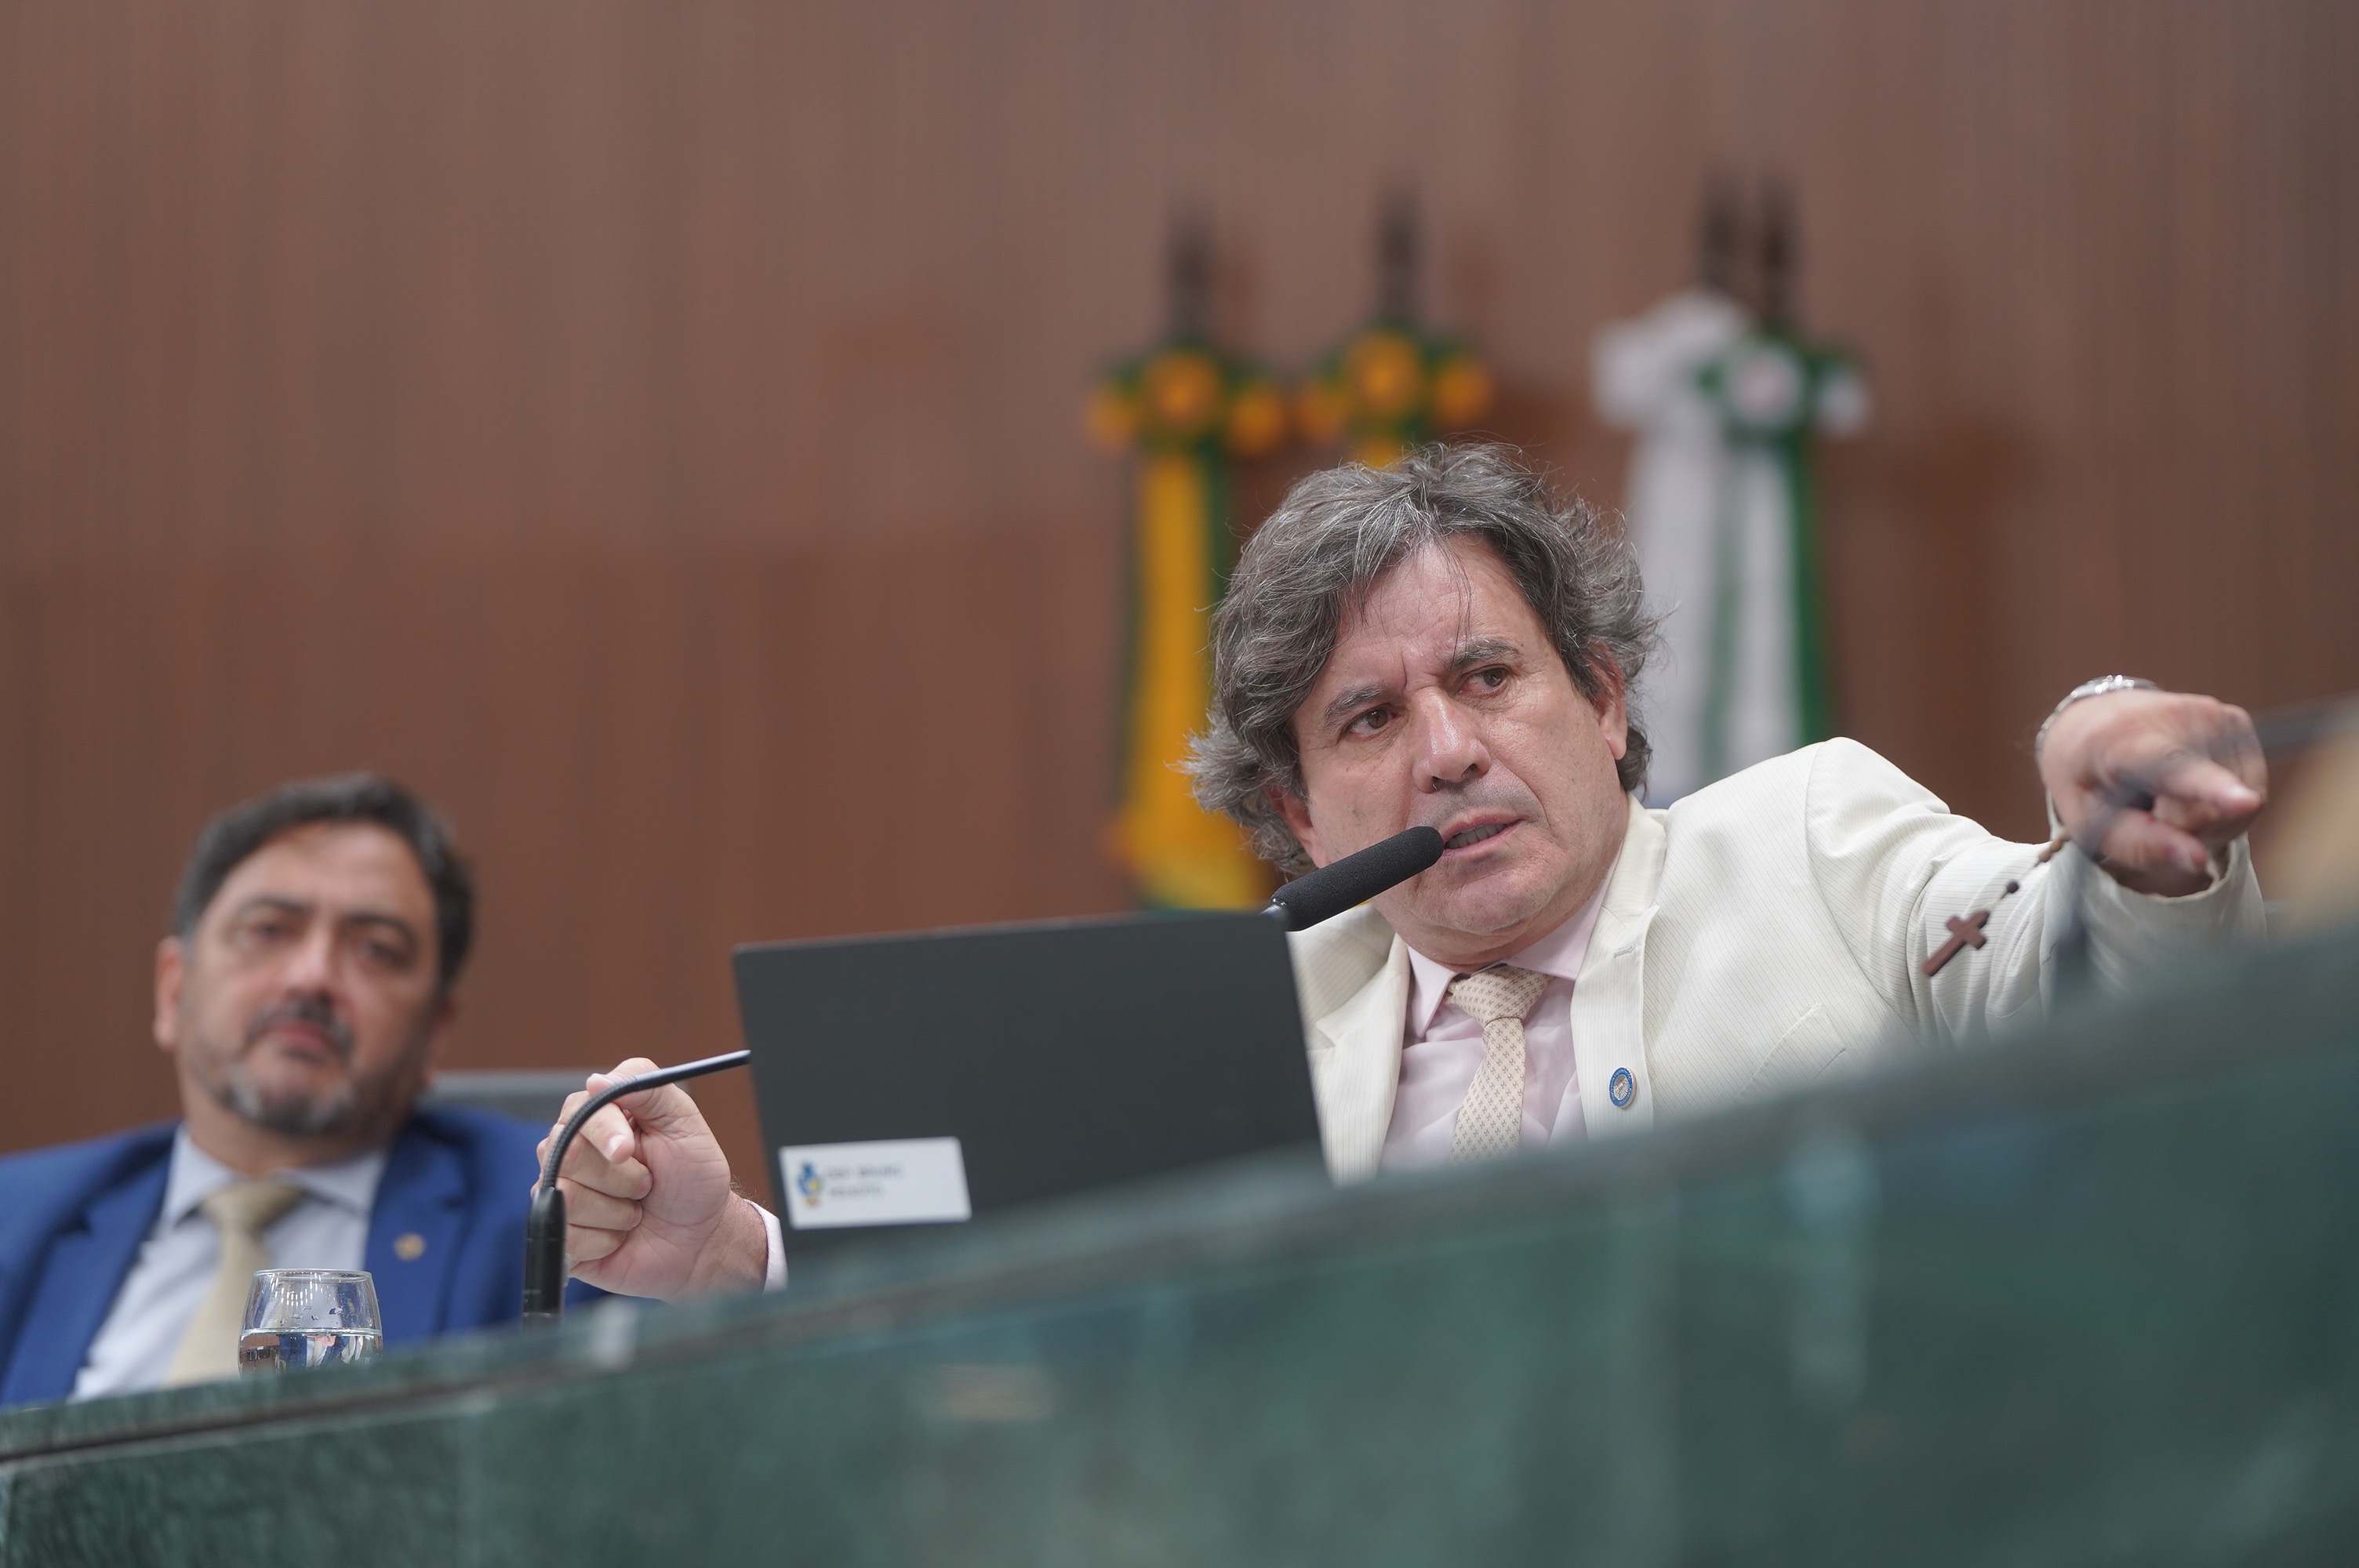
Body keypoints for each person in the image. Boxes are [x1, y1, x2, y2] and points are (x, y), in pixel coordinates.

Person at [542, 443, 2265, 1298]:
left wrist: (2135, 838)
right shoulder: (1243, 1014)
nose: (1443, 751)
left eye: (1488, 677)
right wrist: (735, 1252)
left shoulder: (1809, 838)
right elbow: (1011, 1298)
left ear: (1603, 701)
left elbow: (2079, 987)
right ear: (1301, 816)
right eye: (1366, 718)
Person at [0, 775, 598, 1403]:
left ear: (435, 1034)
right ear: (173, 991)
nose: (312, 977)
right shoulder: (17, 1221)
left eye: (375, 949)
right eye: (269, 930)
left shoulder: (553, 1215)